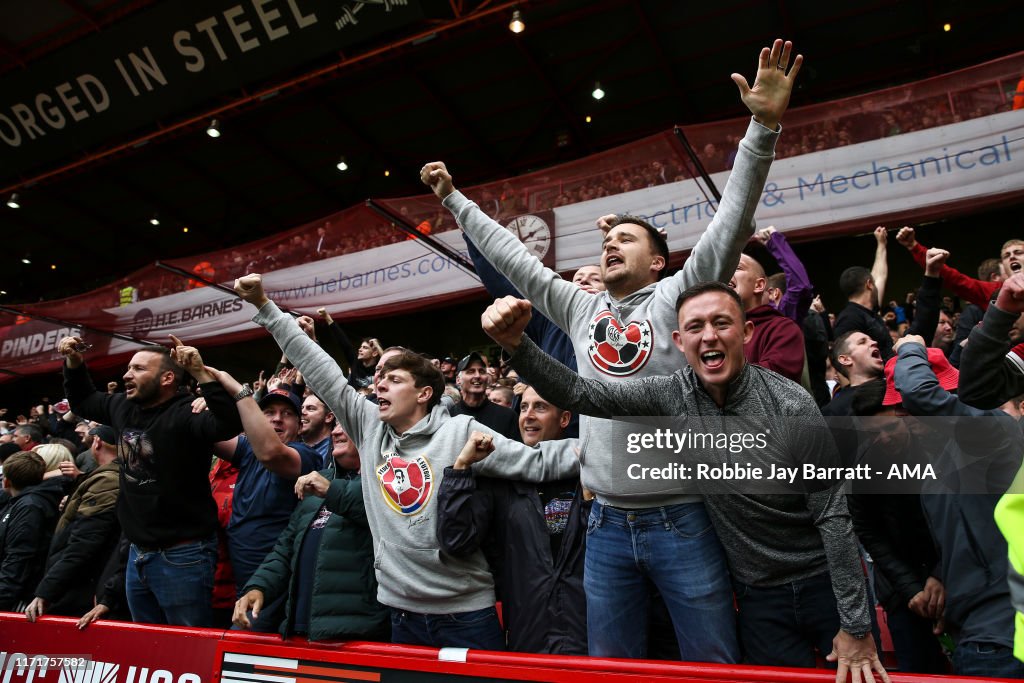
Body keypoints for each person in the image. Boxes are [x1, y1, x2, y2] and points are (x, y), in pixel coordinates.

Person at [421, 38, 803, 661]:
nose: (610, 245)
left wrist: (761, 125)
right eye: (608, 239)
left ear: (658, 260)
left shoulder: (679, 298)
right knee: (609, 667)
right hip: (601, 525)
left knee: (713, 666)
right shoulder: (579, 308)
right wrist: (454, 200)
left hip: (685, 519)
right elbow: (515, 257)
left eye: (627, 239)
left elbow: (733, 216)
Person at [483, 285, 886, 681]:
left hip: (824, 585)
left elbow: (833, 516)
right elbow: (579, 392)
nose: (709, 335)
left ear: (746, 333)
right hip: (757, 595)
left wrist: (855, 625)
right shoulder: (674, 394)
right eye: (695, 327)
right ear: (679, 341)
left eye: (722, 323)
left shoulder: (790, 404)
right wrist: (518, 345)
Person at [234, 273, 579, 650]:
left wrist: (601, 449)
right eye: (380, 378)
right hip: (400, 615)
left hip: (464, 614)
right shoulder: (368, 428)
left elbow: (535, 462)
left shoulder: (460, 432)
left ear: (424, 393)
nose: (379, 384)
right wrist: (265, 307)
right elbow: (318, 367)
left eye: (394, 379)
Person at [58, 335, 243, 626]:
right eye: (129, 367)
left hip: (184, 556)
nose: (126, 374)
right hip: (137, 554)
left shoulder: (186, 413)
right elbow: (82, 401)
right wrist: (74, 361)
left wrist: (200, 374)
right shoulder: (122, 407)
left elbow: (229, 424)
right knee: (149, 644)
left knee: (187, 649)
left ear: (167, 377)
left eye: (139, 369)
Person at [437, 386, 588, 654]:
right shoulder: (499, 479)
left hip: (588, 635)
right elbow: (456, 541)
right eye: (523, 408)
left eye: (540, 407)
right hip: (528, 636)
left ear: (564, 419)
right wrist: (460, 470)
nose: (528, 415)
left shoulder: (589, 473)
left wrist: (590, 495)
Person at [234, 422, 388, 642]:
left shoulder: (389, 483)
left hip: (353, 636)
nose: (335, 431)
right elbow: (285, 549)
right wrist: (259, 587)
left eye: (345, 424)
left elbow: (379, 511)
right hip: (301, 628)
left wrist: (331, 490)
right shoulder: (318, 481)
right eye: (334, 424)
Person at [24, 425, 120, 621]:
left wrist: (46, 591)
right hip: (79, 582)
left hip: (81, 586)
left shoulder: (107, 481)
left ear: (96, 442)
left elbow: (84, 543)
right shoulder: (99, 479)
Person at [0, 451, 63, 611]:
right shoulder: (22, 502)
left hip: (19, 597)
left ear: (6, 481)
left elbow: (20, 557)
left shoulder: (30, 506)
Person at [833, 227, 893, 360]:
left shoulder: (869, 311)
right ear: (869, 285)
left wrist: (881, 244)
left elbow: (880, 276)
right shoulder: (849, 319)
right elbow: (842, 359)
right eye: (872, 282)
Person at [450, 352, 519, 440]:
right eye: (470, 371)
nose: (477, 375)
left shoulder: (507, 416)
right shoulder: (449, 416)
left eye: (482, 371)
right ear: (458, 379)